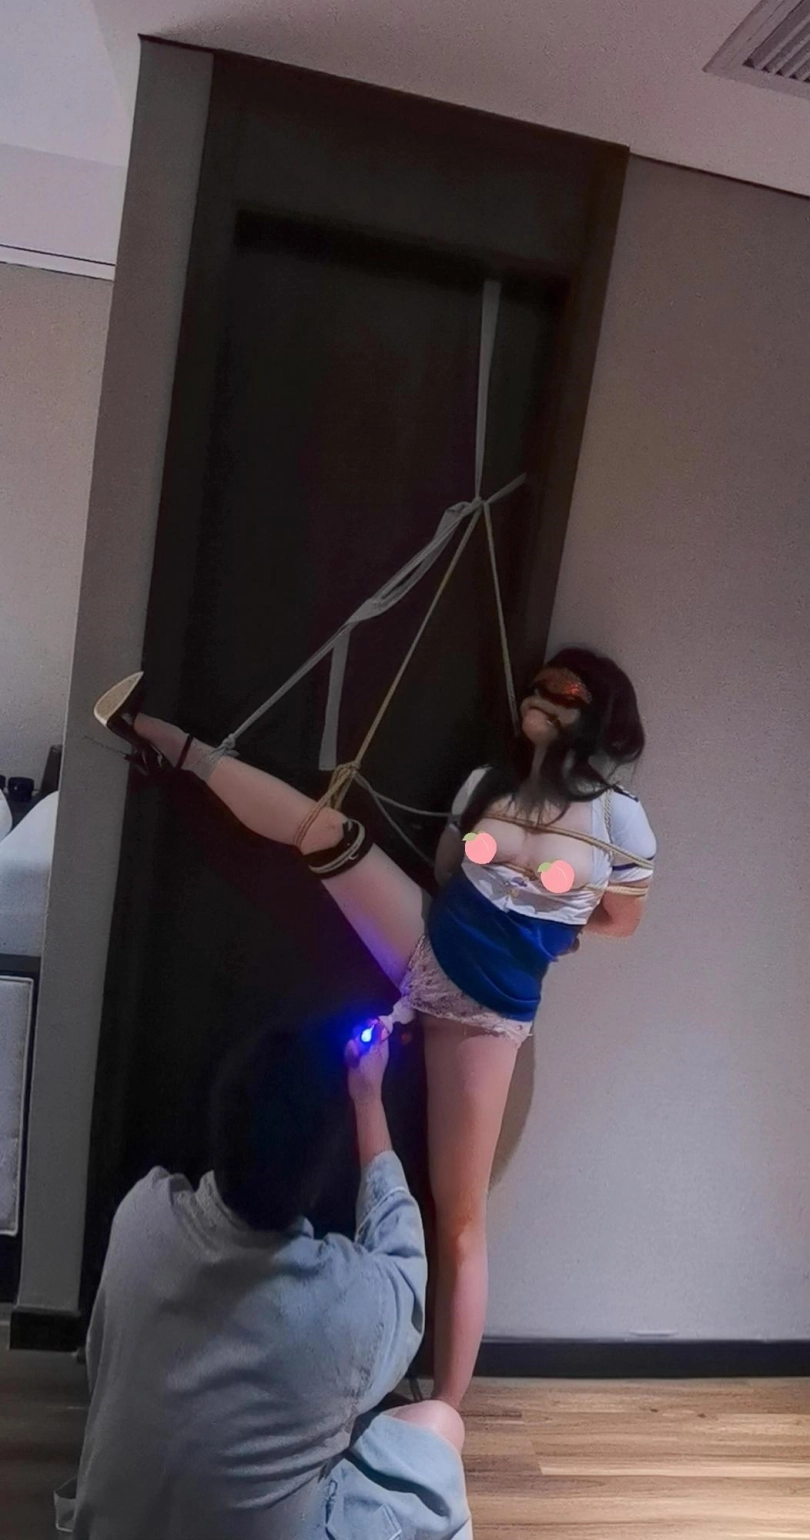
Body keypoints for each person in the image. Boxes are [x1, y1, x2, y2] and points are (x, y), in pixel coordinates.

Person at [95, 645, 656, 1407]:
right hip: (429, 947)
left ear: (600, 715)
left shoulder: (620, 818)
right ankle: (163, 737)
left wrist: (550, 926)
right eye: (535, 686)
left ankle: (447, 1413)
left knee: (461, 1219)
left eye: (561, 690)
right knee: (324, 829)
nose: (538, 697)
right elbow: (450, 871)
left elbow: (623, 919)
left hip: (488, 1016)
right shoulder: (486, 785)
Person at [68, 1017, 472, 1539]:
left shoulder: (140, 1218)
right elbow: (403, 1266)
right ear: (318, 1176)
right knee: (441, 1426)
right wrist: (368, 1098)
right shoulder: (344, 1305)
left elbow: (103, 1364)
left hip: (115, 1526)